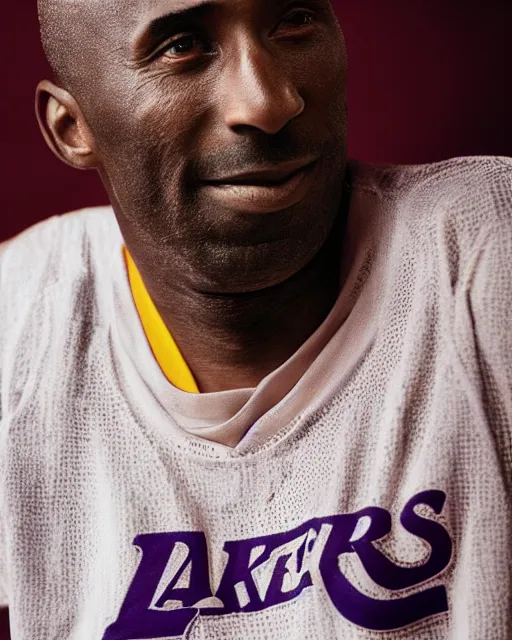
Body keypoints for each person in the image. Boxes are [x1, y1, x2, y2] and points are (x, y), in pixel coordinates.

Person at [0, 0, 510, 637]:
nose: (268, 102)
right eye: (182, 46)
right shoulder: (20, 321)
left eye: (293, 20)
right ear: (73, 127)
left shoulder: (487, 249)